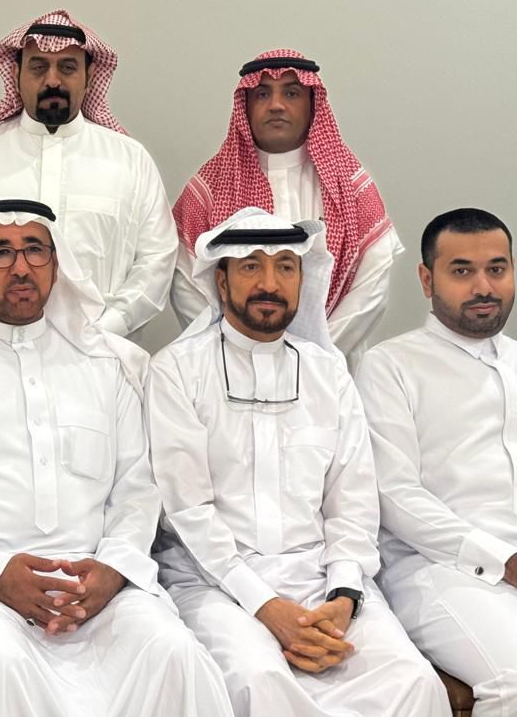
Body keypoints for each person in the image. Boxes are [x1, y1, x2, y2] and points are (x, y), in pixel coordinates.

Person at [0, 198, 232, 717]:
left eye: (34, 250)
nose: (21, 267)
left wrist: (111, 570)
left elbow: (136, 490)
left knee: (173, 652)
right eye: (0, 252)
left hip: (95, 591)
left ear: (55, 261)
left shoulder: (105, 365)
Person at [146, 208, 446, 716]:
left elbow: (352, 503)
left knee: (413, 683)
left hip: (321, 577)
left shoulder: (329, 372)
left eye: (285, 266)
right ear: (222, 281)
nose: (270, 283)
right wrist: (269, 608)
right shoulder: (176, 370)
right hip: (216, 582)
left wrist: (344, 596)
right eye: (251, 266)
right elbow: (188, 512)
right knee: (259, 681)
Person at [0, 11, 177, 339]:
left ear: (90, 75)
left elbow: (156, 259)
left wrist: (106, 330)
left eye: (67, 67)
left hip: (104, 349)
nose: (52, 80)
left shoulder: (130, 160)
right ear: (16, 73)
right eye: (38, 67)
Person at [356, 208, 517, 716]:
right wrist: (504, 560)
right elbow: (395, 496)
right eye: (462, 271)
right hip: (439, 571)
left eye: (496, 268)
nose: (483, 286)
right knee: (514, 680)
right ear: (427, 280)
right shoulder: (389, 366)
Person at [171, 50, 402, 366]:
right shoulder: (210, 186)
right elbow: (188, 284)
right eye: (262, 94)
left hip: (330, 367)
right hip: (228, 367)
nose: (276, 105)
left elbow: (371, 286)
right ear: (246, 105)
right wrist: (236, 350)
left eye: (291, 93)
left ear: (312, 104)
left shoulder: (350, 184)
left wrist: (312, 358)